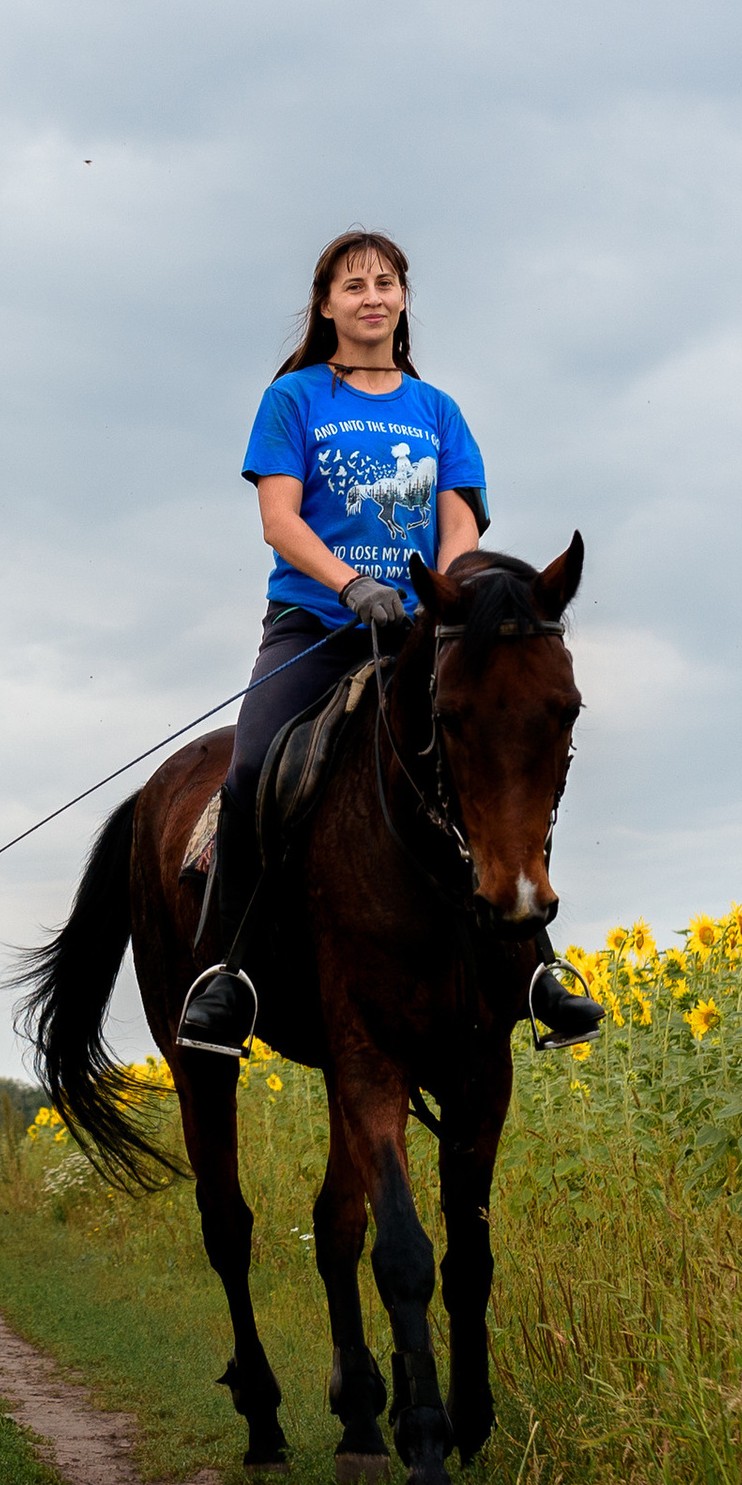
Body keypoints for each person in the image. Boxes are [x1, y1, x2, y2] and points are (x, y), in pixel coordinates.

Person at [174, 229, 604, 1059]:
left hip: (422, 636)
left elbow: (460, 523)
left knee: (497, 760)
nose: (371, 296)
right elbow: (278, 518)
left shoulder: (437, 410)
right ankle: (230, 975)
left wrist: (445, 601)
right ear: (327, 303)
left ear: (403, 299)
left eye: (385, 283)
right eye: (353, 284)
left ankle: (534, 968)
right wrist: (352, 585)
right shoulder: (295, 400)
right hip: (316, 626)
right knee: (256, 766)